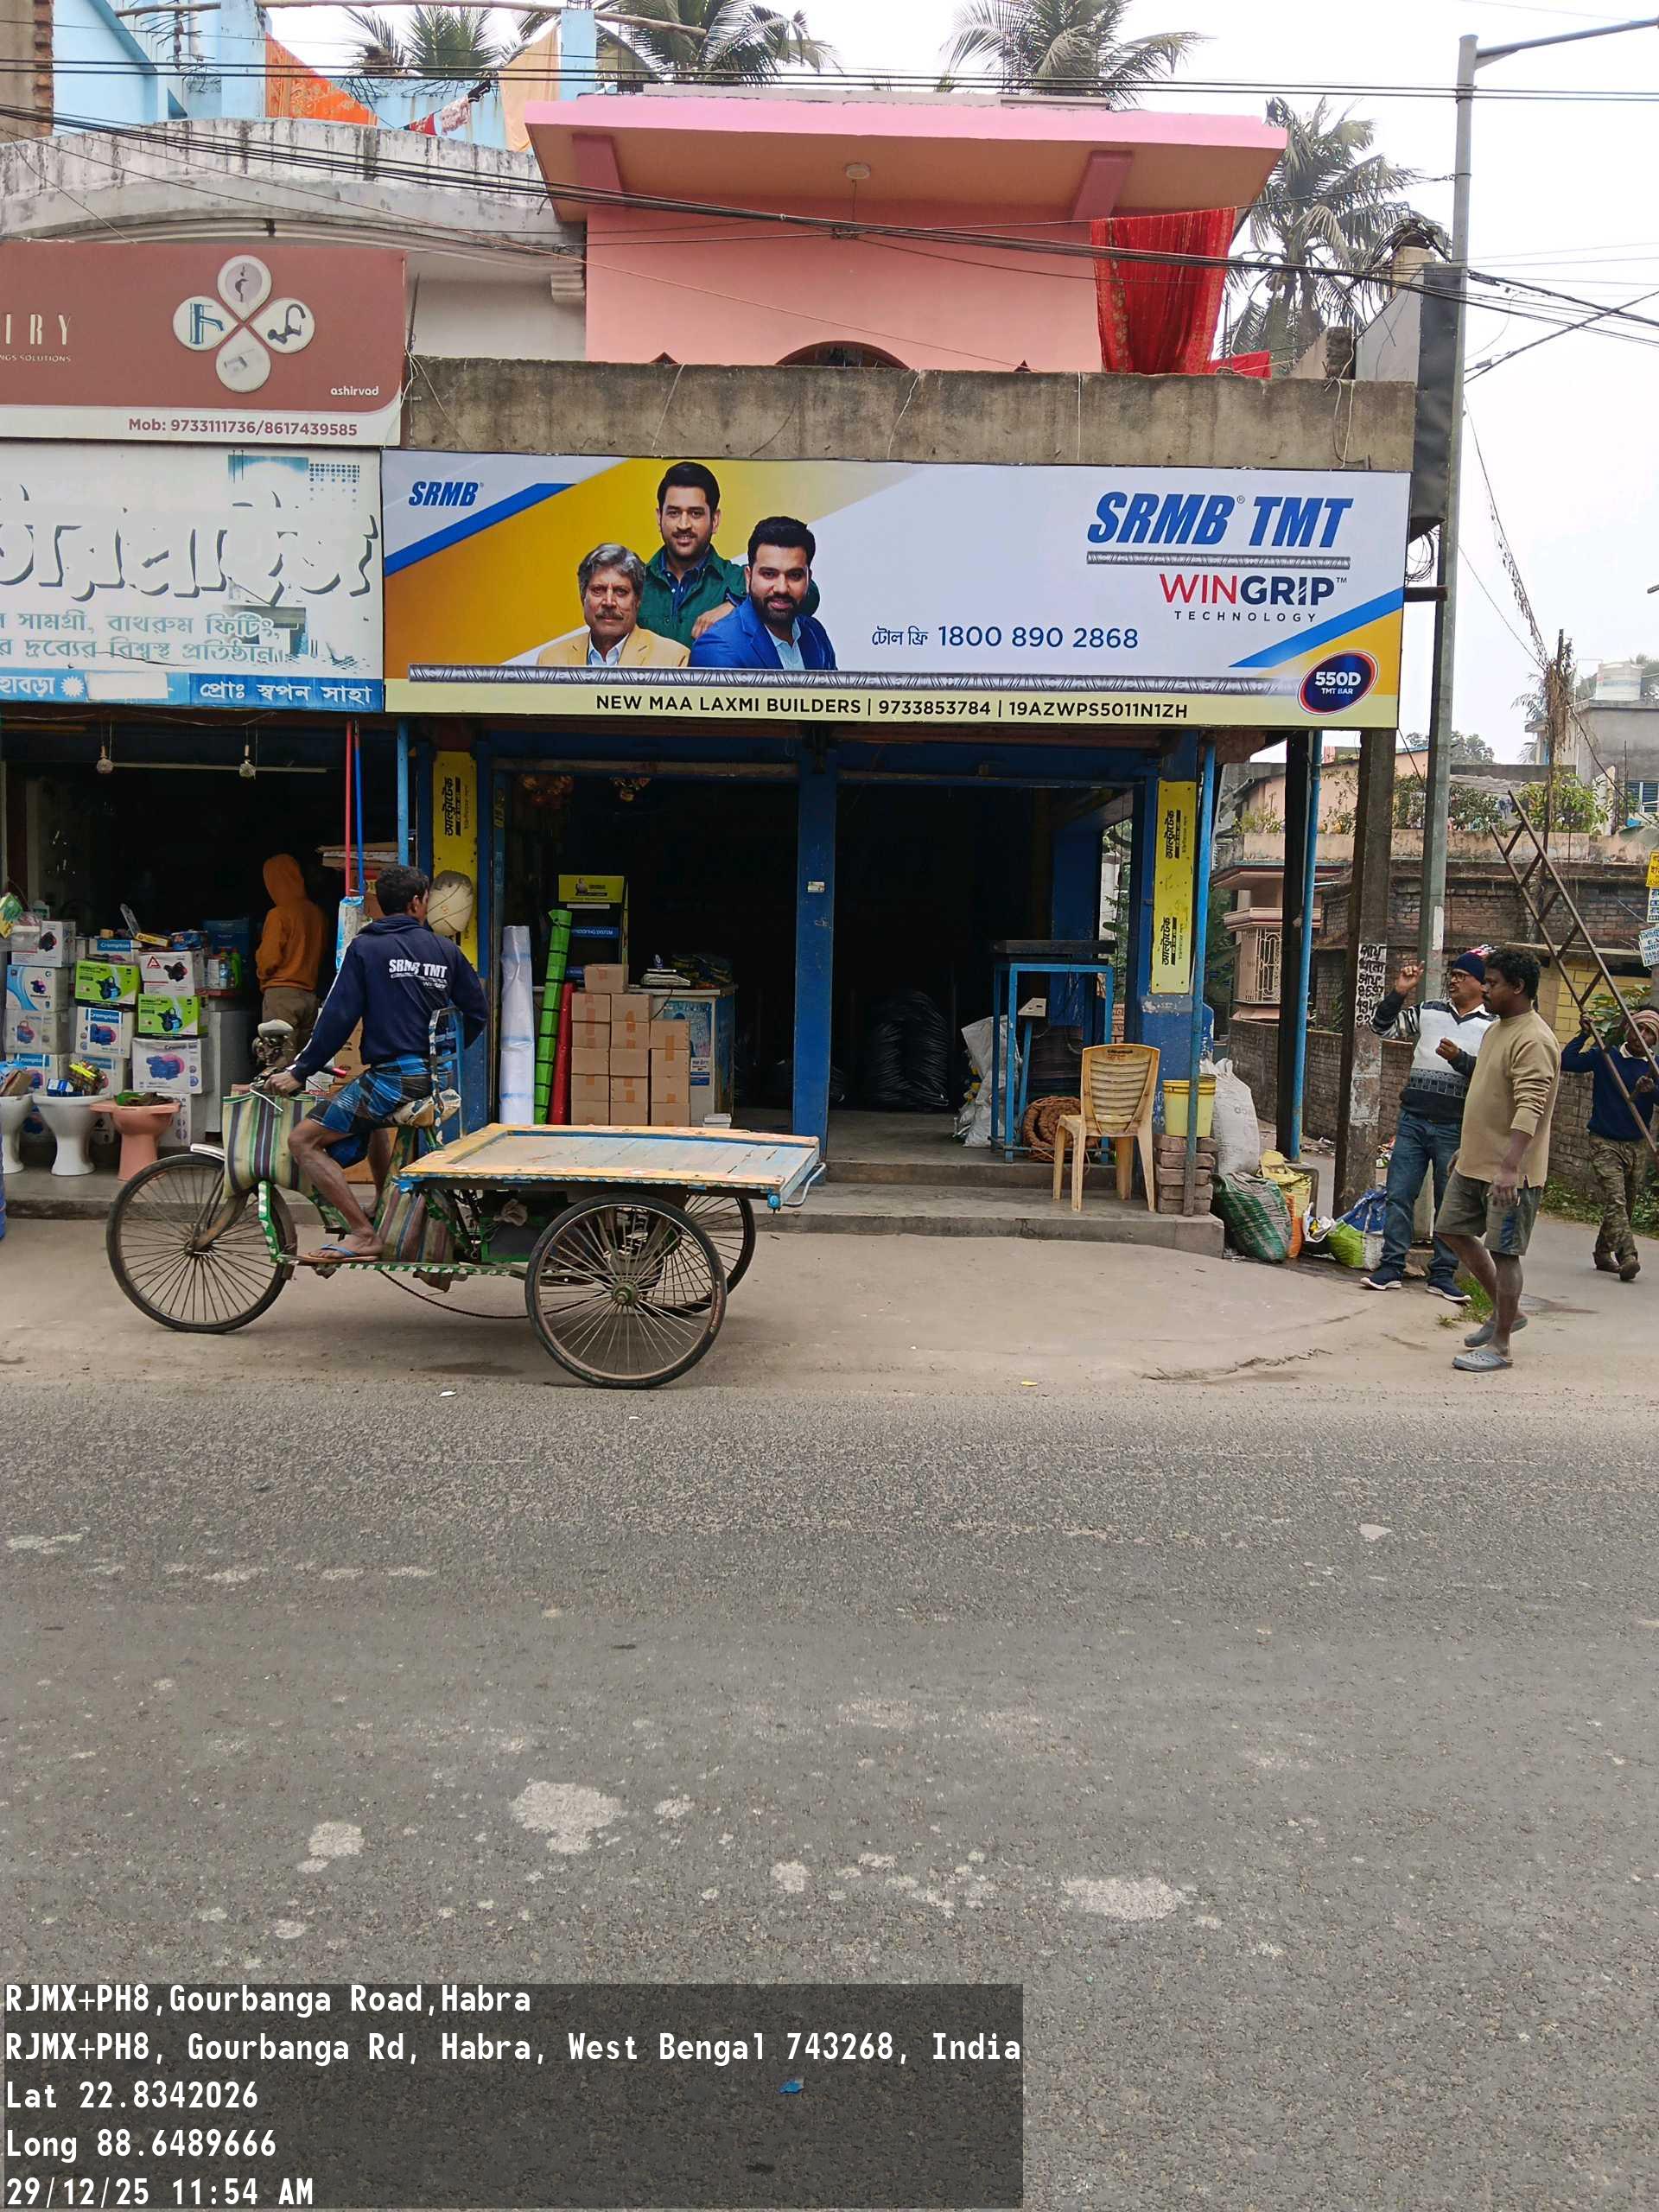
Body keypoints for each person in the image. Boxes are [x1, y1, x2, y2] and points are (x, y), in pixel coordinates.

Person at [266, 865, 486, 1262]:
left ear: (382, 905)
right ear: (417, 903)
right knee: (370, 1121)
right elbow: (476, 1013)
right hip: (433, 1076)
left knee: (302, 1140)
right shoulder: (445, 950)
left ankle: (363, 1234)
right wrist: (441, 1056)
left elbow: (338, 1017)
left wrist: (300, 1071)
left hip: (395, 1078)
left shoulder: (367, 949)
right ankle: (384, 1208)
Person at [1436, 947, 1561, 1374]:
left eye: (1492, 983)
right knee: (1451, 1229)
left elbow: (1530, 1106)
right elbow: (1488, 1094)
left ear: (1518, 987)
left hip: (1511, 1172)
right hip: (1475, 1162)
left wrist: (1509, 1168)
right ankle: (1507, 1313)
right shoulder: (1497, 1029)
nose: (1484, 989)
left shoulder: (1535, 1039)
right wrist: (1468, 1148)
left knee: (1505, 1253)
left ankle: (1502, 1345)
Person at [1362, 950, 1497, 1301]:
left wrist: (1460, 1060)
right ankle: (1392, 1266)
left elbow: (1492, 1077)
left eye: (1462, 976)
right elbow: (1381, 1027)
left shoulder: (1492, 1027)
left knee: (1449, 1204)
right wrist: (1399, 992)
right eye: (1453, 974)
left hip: (1456, 1127)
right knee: (1399, 1194)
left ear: (1481, 984)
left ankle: (1443, 1274)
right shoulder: (1429, 1011)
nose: (1454, 980)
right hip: (1413, 1120)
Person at [639, 463, 822, 650]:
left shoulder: (738, 579)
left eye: (695, 513)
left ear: (715, 520)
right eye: (674, 513)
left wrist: (737, 605)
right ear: (659, 517)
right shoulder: (634, 584)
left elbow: (810, 594)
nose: (683, 524)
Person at [1559, 1004, 1659, 1281]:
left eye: (1649, 1032)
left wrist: (1653, 1091)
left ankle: (1603, 1253)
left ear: (1655, 1039)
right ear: (1626, 1028)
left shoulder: (1654, 1066)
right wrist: (1583, 1034)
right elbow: (1568, 1062)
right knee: (1616, 1199)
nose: (1641, 1035)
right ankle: (1628, 1256)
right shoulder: (1607, 1055)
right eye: (1637, 1027)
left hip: (1636, 1144)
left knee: (1626, 1204)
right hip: (1604, 1140)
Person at [688, 518, 836, 671]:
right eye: (769, 574)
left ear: (808, 579)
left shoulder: (815, 633)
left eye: (795, 575)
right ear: (748, 577)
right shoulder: (718, 648)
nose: (782, 589)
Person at [537, 545, 690, 670]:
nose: (609, 602)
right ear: (583, 596)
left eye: (621, 591)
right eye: (598, 590)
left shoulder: (673, 659)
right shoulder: (551, 660)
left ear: (638, 600)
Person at [254, 854, 325, 1067]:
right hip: (309, 997)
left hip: (281, 995)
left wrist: (261, 975)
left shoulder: (279, 914)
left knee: (278, 1062)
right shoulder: (317, 914)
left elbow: (269, 959)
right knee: (302, 1065)